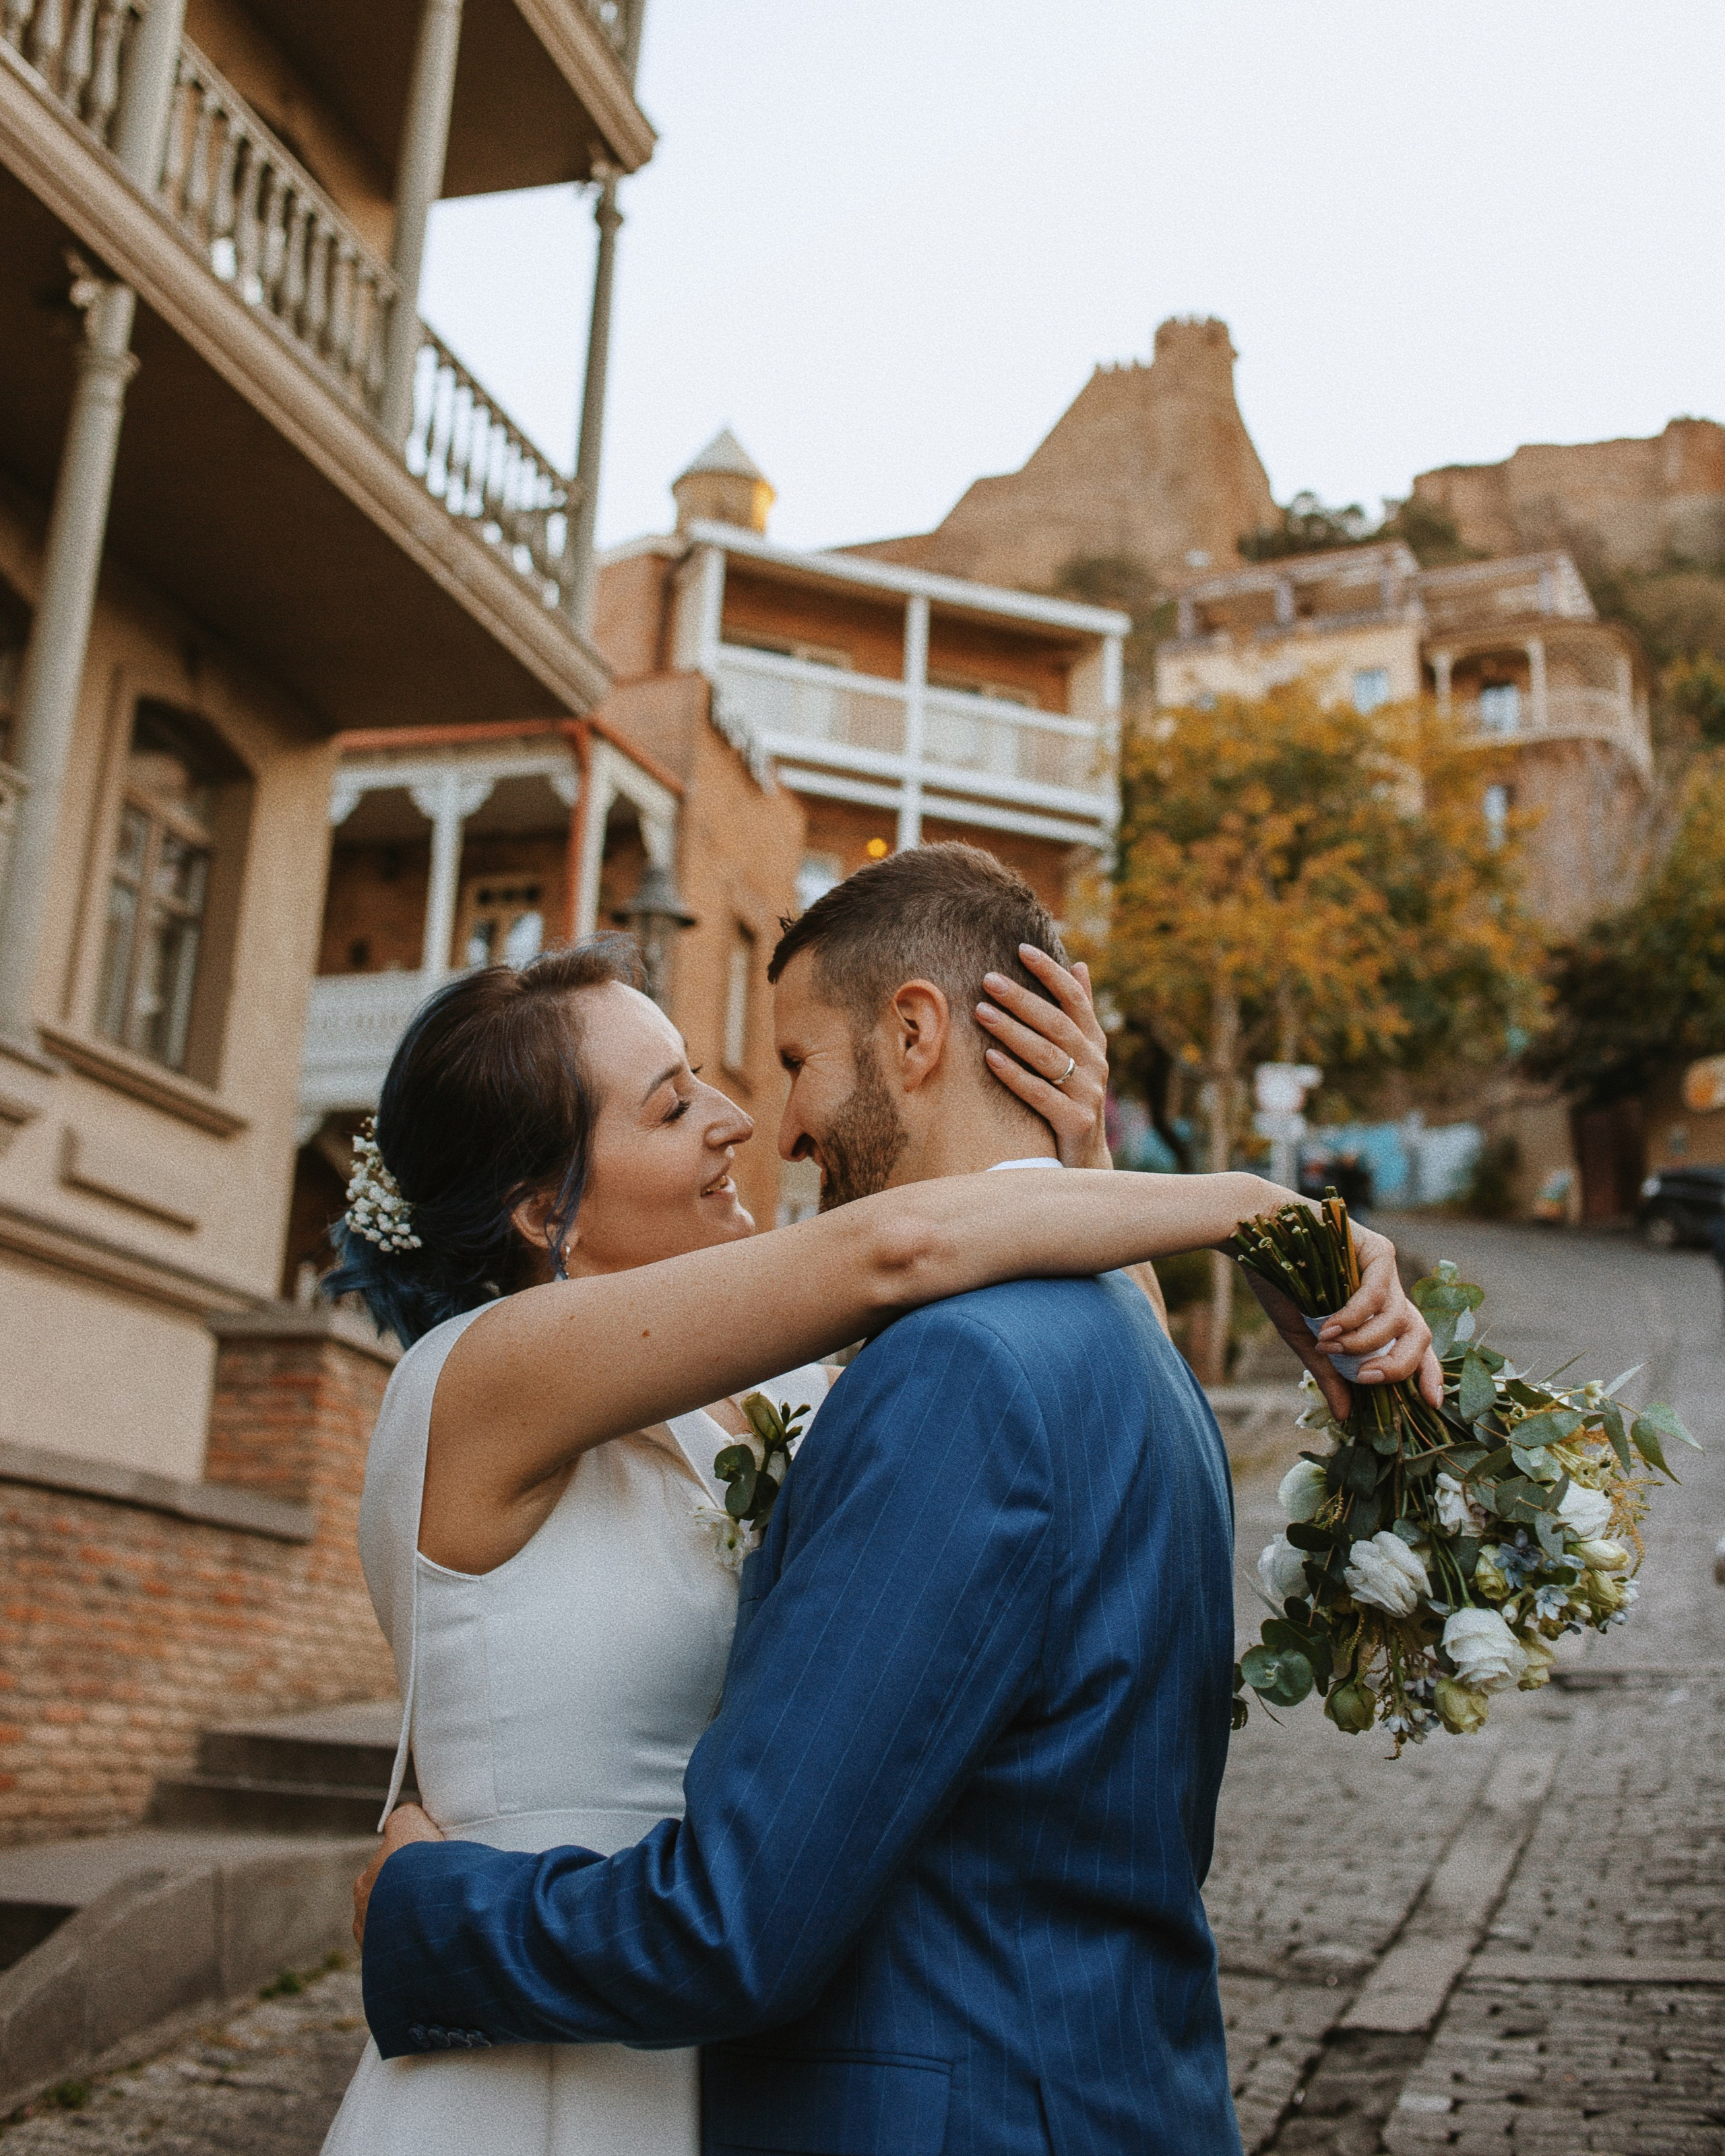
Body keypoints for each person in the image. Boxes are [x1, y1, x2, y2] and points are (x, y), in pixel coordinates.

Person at [333, 844, 1437, 2156]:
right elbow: (905, 1245)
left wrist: (1067, 1151)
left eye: (762, 1072)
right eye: (676, 1102)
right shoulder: (482, 1373)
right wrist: (1259, 1212)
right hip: (549, 2064)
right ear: (538, 1204)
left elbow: (1065, 1384)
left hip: (723, 2045)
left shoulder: (817, 1387)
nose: (754, 1120)